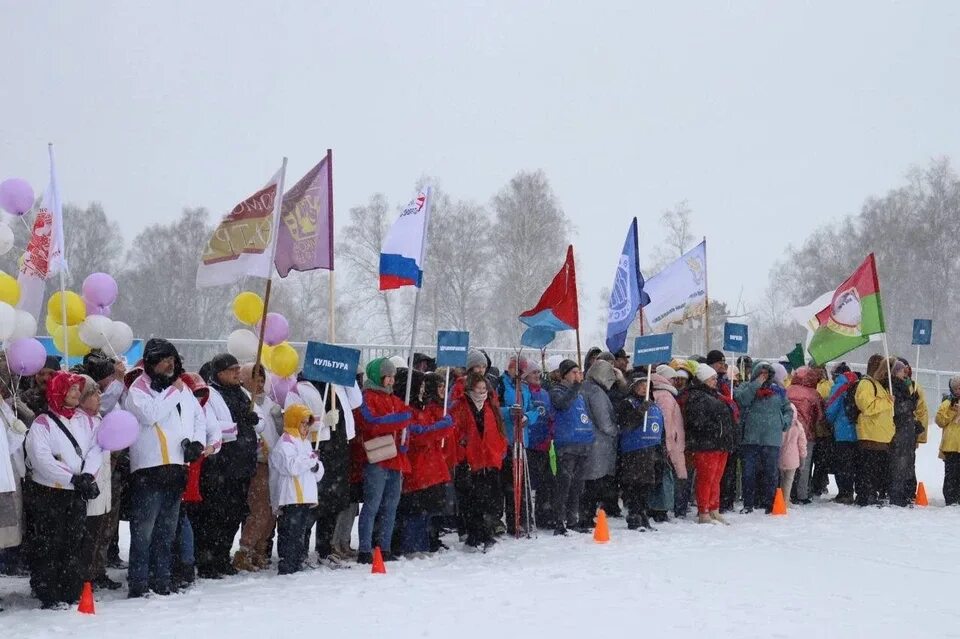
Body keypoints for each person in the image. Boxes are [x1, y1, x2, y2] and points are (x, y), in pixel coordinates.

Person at [124, 339, 206, 598]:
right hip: (149, 469)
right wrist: (173, 390)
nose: (169, 364)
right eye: (163, 360)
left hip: (176, 467)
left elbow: (197, 418)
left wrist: (197, 442)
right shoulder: (139, 389)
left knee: (167, 532)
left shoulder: (183, 390)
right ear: (151, 363)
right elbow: (150, 414)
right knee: (143, 532)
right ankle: (139, 582)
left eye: (172, 360)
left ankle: (162, 579)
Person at [25, 371, 103, 609]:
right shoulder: (42, 423)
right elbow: (41, 459)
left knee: (74, 540)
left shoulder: (87, 420)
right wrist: (70, 477)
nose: (76, 394)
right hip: (50, 491)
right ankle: (47, 590)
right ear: (58, 391)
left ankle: (70, 588)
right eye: (71, 389)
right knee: (50, 541)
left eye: (77, 390)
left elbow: (96, 448)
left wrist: (88, 474)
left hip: (77, 491)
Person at [195, 354, 262, 579]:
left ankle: (222, 556)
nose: (236, 373)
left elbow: (258, 420)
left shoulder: (241, 393)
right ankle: (208, 561)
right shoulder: (211, 394)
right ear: (219, 373)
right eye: (232, 369)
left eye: (237, 368)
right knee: (215, 516)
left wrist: (252, 419)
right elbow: (211, 427)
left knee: (233, 515)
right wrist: (239, 423)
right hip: (221, 467)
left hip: (242, 467)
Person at [356, 358, 412, 563]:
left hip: (395, 458)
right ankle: (364, 549)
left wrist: (401, 425)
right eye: (387, 376)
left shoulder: (394, 399)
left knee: (390, 506)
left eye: (392, 377)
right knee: (372, 505)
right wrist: (398, 420)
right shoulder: (366, 397)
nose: (390, 381)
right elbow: (372, 424)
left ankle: (384, 546)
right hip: (377, 458)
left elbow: (407, 418)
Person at [396, 370, 454, 556]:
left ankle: (423, 544)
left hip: (430, 465)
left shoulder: (423, 408)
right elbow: (419, 435)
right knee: (415, 510)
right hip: (417, 465)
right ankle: (412, 546)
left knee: (426, 510)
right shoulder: (409, 410)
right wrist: (439, 428)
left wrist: (438, 429)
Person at [450, 371, 507, 550]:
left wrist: (497, 452)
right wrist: (463, 450)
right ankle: (475, 534)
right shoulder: (460, 406)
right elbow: (457, 431)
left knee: (487, 500)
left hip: (488, 460)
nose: (482, 392)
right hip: (469, 461)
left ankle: (485, 533)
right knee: (472, 501)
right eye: (478, 388)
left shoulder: (490, 406)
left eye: (484, 388)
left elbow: (497, 432)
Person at [75, 376, 122, 591]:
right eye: (94, 394)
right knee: (88, 534)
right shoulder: (79, 420)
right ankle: (83, 575)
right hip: (89, 484)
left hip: (105, 481)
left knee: (104, 530)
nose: (98, 398)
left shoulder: (99, 418)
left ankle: (97, 570)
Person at [234, 364, 282, 571]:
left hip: (274, 461)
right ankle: (245, 550)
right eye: (255, 378)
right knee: (259, 509)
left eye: (262, 379)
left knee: (272, 510)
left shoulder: (271, 403)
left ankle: (260, 549)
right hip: (257, 463)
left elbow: (278, 431)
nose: (259, 383)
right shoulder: (245, 401)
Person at [269, 404, 323, 575]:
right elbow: (291, 467)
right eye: (303, 423)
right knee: (290, 531)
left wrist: (316, 466)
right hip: (291, 495)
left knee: (302, 529)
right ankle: (287, 563)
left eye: (308, 424)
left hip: (306, 495)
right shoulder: (285, 442)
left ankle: (298, 559)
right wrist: (310, 459)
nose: (306, 427)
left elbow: (316, 469)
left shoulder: (305, 443)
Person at [736, 362, 792, 514]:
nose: (764, 376)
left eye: (767, 373)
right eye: (761, 373)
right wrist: (756, 384)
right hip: (750, 438)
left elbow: (788, 410)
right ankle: (748, 503)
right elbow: (742, 400)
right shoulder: (746, 388)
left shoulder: (778, 391)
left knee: (771, 473)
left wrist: (784, 422)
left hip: (771, 439)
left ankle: (769, 503)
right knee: (748, 472)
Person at [683, 364, 736, 525]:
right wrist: (714, 428)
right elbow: (697, 421)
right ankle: (703, 511)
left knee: (716, 479)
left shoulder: (715, 395)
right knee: (706, 479)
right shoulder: (696, 396)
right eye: (712, 378)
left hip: (719, 443)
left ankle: (714, 508)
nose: (715, 381)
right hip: (706, 444)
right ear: (704, 379)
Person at [548, 360, 595, 535]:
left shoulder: (580, 394)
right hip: (566, 444)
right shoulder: (556, 391)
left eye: (579, 372)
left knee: (577, 485)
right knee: (564, 484)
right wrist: (575, 388)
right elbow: (562, 405)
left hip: (582, 443)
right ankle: (559, 520)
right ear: (564, 374)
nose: (577, 375)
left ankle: (573, 519)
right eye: (573, 372)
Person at [497, 357, 539, 535]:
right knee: (508, 483)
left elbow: (534, 408)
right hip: (506, 439)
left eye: (522, 371)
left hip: (522, 439)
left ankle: (523, 519)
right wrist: (508, 412)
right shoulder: (501, 384)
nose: (520, 374)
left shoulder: (525, 387)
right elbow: (493, 408)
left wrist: (528, 417)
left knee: (522, 483)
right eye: (517, 370)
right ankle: (509, 520)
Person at [615, 375, 661, 531]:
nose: (644, 388)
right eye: (640, 384)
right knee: (633, 485)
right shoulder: (627, 404)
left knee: (646, 485)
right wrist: (640, 411)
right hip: (632, 452)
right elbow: (626, 425)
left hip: (650, 451)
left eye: (646, 384)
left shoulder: (654, 405)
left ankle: (643, 514)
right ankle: (634, 515)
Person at [581, 359, 619, 528]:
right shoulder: (596, 392)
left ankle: (584, 513)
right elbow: (604, 421)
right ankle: (586, 515)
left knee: (586, 482)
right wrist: (615, 430)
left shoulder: (584, 388)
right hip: (599, 444)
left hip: (586, 441)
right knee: (594, 482)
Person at [853, 358, 894, 507]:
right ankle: (866, 495)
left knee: (877, 470)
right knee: (868, 470)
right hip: (870, 436)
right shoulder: (866, 384)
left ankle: (874, 493)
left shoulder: (879, 385)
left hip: (881, 437)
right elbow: (867, 406)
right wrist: (887, 402)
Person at [649, 369, 687, 520]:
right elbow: (666, 423)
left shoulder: (658, 394)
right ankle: (660, 509)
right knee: (665, 477)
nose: (675, 382)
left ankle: (657, 507)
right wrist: (669, 445)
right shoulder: (665, 396)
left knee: (659, 476)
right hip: (669, 442)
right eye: (672, 378)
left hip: (662, 441)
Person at [785, 366, 825, 504]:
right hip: (807, 433)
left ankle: (786, 492)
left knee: (786, 462)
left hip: (787, 431)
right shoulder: (814, 394)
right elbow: (820, 416)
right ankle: (801, 494)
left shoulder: (787, 390)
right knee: (804, 465)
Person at [524, 361, 556, 530]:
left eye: (538, 372)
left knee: (546, 482)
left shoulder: (544, 393)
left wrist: (551, 433)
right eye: (533, 373)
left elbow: (550, 415)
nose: (537, 376)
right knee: (529, 483)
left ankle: (543, 515)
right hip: (530, 443)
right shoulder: (524, 392)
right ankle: (526, 517)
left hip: (544, 443)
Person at [824, 365, 860, 504]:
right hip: (857, 430)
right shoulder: (858, 384)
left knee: (843, 464)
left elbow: (832, 408)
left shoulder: (840, 385)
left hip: (842, 431)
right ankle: (853, 491)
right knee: (854, 463)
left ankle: (845, 493)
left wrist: (828, 421)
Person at [888, 359, 921, 507]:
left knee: (907, 464)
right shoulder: (893, 386)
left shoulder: (904, 386)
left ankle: (905, 493)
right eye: (902, 371)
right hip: (900, 431)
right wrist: (910, 403)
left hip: (907, 431)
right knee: (899, 464)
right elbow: (896, 409)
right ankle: (897, 495)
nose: (905, 373)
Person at [935, 377, 960, 506]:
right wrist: (952, 412)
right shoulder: (947, 403)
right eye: (956, 388)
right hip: (951, 445)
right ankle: (951, 499)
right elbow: (939, 420)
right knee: (951, 474)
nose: (958, 390)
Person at [779, 404, 807, 501]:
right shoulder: (798, 426)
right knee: (789, 481)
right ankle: (786, 500)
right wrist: (802, 459)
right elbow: (802, 445)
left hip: (780, 457)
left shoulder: (780, 426)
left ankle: (779, 498)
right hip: (793, 459)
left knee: (780, 480)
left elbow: (780, 442)